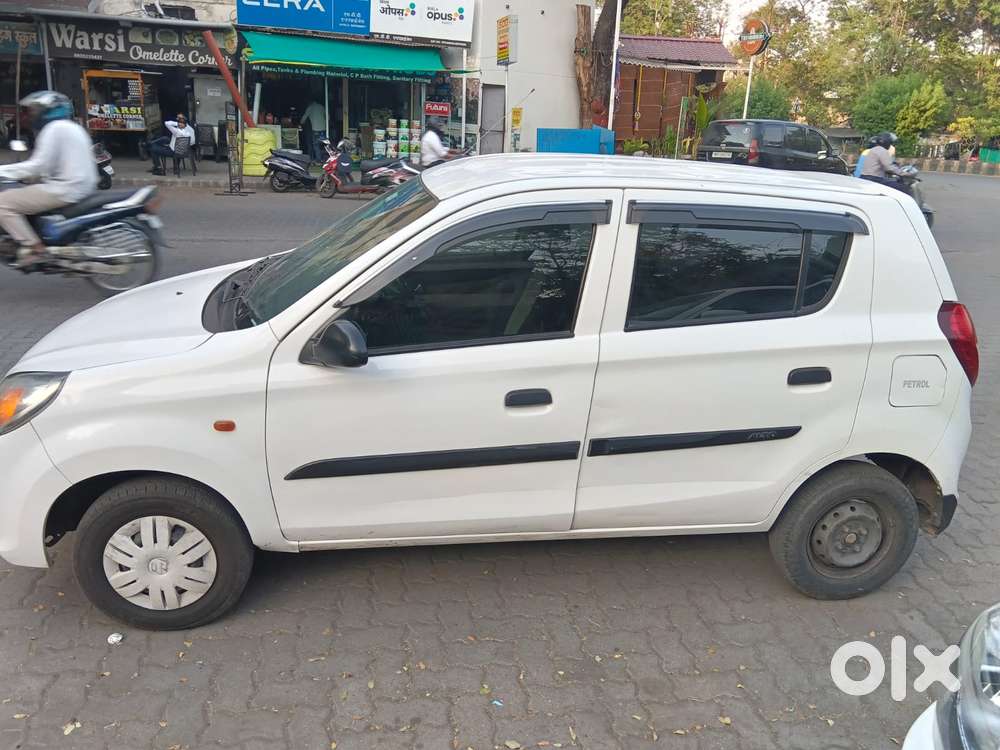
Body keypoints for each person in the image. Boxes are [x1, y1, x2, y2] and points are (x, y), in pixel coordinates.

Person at [0, 90, 96, 268]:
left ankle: (35, 249)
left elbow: (38, 165)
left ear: (49, 111)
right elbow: (51, 165)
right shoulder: (73, 127)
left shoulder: (54, 129)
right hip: (80, 185)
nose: (32, 115)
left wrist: (3, 171)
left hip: (65, 188)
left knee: (3, 203)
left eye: (35, 110)